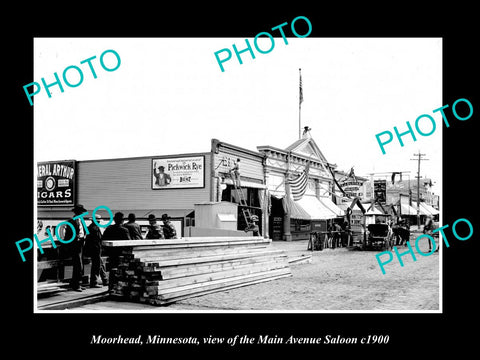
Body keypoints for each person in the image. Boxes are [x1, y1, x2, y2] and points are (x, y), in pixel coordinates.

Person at [63, 204, 88, 292]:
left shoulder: (82, 220)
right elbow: (68, 235)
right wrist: (76, 237)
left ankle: (76, 283)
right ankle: (77, 284)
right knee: (78, 265)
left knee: (79, 264)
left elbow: (84, 231)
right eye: (80, 212)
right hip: (75, 245)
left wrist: (83, 237)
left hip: (80, 244)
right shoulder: (71, 221)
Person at [84, 214, 108, 288]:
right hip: (95, 249)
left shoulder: (90, 228)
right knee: (96, 265)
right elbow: (98, 239)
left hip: (92, 249)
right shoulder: (95, 228)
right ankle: (94, 282)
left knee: (99, 264)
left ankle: (104, 280)